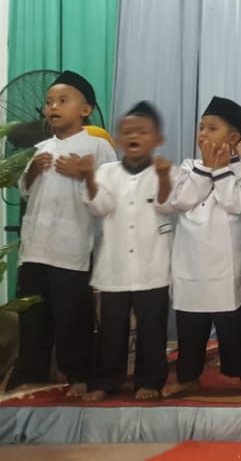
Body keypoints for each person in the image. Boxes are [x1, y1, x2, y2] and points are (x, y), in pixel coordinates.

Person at [6, 71, 116, 396]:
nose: (53, 107)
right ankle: (31, 374)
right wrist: (31, 172)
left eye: (63, 101)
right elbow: (26, 192)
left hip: (71, 250)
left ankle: (79, 374)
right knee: (34, 317)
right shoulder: (39, 148)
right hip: (34, 249)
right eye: (49, 102)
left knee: (73, 317)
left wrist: (83, 174)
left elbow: (110, 194)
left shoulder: (97, 146)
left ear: (86, 109)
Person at [160, 96, 241, 397]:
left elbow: (234, 203)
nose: (203, 134)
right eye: (201, 127)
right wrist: (207, 169)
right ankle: (188, 377)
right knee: (190, 326)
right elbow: (181, 200)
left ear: (234, 138)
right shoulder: (187, 168)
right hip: (190, 264)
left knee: (233, 327)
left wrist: (219, 170)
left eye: (212, 128)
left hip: (226, 266)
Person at [80, 102, 175, 401]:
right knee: (111, 330)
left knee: (152, 329)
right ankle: (107, 380)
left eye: (142, 131)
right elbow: (100, 207)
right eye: (128, 131)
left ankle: (150, 380)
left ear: (157, 139)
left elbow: (166, 205)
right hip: (115, 267)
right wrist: (88, 178)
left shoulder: (164, 170)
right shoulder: (106, 172)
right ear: (119, 139)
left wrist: (163, 177)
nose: (134, 136)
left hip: (152, 266)